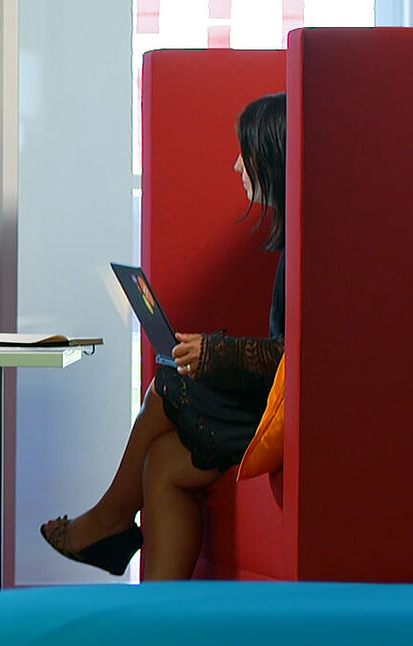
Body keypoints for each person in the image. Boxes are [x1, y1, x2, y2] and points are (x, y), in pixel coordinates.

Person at [40, 92, 287, 581]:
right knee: (166, 461)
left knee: (169, 384)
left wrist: (216, 353)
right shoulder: (297, 238)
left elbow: (298, 356)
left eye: (246, 154)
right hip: (275, 398)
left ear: (274, 158)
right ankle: (153, 609)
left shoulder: (315, 246)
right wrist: (212, 353)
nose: (237, 166)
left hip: (294, 413)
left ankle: (108, 521)